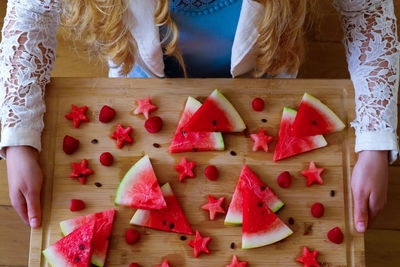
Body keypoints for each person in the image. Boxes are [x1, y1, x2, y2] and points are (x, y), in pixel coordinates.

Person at [0, 0, 398, 234]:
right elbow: (31, 14)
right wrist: (19, 138)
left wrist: (376, 141)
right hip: (140, 81)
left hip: (267, 72)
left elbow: (367, 13)